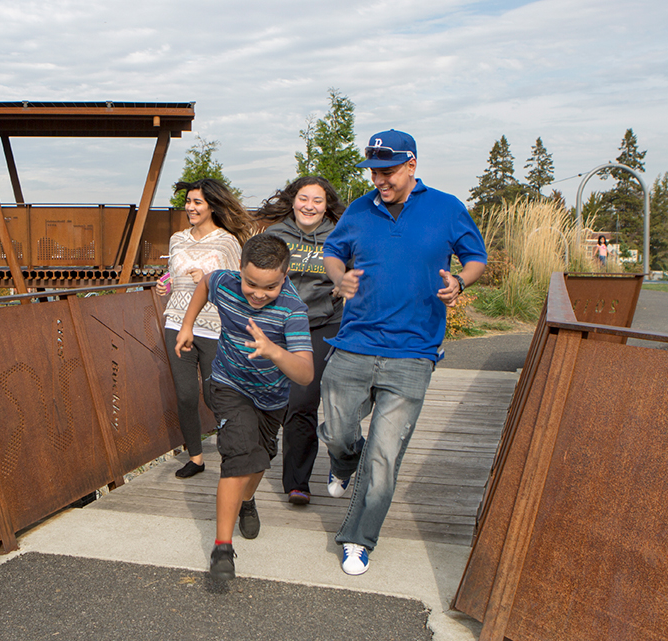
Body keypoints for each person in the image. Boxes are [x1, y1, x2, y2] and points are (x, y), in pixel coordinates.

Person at [319, 129, 487, 576]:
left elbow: (476, 258)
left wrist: (460, 282)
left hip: (414, 351)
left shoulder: (447, 208)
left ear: (412, 165)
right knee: (338, 433)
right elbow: (333, 253)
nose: (379, 179)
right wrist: (340, 277)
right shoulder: (358, 210)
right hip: (354, 343)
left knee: (385, 454)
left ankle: (357, 539)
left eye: (387, 171)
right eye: (374, 171)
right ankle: (342, 461)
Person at [176, 233, 314, 579]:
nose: (258, 293)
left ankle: (247, 501)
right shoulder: (226, 281)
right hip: (229, 384)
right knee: (238, 458)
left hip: (272, 397)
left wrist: (274, 351)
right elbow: (206, 283)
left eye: (269, 287)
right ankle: (222, 549)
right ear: (239, 270)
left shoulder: (292, 309)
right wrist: (187, 324)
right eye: (251, 283)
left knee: (259, 460)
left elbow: (306, 373)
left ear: (285, 276)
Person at [253, 177, 346, 505]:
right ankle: (263, 468)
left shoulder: (339, 234)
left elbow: (357, 270)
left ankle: (298, 482)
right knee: (276, 401)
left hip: (323, 325)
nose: (309, 206)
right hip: (282, 326)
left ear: (326, 205)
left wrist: (344, 283)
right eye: (303, 198)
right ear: (292, 201)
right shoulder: (276, 234)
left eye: (317, 200)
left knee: (304, 402)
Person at [158, 179, 249, 479]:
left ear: (211, 205)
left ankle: (235, 450)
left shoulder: (227, 242)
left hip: (213, 326)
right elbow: (174, 273)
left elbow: (239, 284)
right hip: (176, 321)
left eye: (197, 202)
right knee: (185, 395)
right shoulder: (177, 239)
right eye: (188, 201)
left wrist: (210, 278)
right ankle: (195, 458)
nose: (190, 207)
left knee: (213, 396)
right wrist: (165, 283)